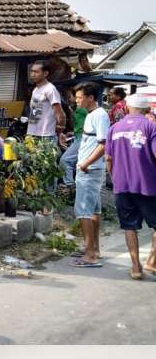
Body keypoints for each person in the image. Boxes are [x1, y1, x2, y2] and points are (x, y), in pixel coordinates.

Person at [106, 93, 156, 279]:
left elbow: (108, 158)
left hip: (122, 185)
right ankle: (152, 261)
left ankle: (136, 267)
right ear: (146, 109)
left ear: (127, 108)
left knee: (129, 226)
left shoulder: (114, 128)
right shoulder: (151, 126)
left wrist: (115, 177)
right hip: (148, 185)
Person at [70, 82, 110, 269]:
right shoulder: (92, 115)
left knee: (83, 211)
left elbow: (103, 144)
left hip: (90, 170)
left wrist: (85, 163)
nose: (77, 100)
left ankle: (90, 254)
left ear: (91, 97)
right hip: (90, 169)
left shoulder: (99, 115)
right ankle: (93, 248)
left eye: (80, 97)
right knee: (94, 211)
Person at [26, 60, 66, 143]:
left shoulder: (50, 89)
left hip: (46, 136)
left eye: (36, 72)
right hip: (33, 134)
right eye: (32, 71)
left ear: (45, 73)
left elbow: (60, 114)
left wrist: (59, 130)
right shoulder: (35, 90)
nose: (33, 74)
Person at [60, 88, 87, 189]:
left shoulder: (82, 109)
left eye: (70, 96)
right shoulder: (77, 109)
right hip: (77, 137)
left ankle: (69, 186)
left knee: (65, 160)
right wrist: (73, 133)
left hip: (82, 138)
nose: (71, 99)